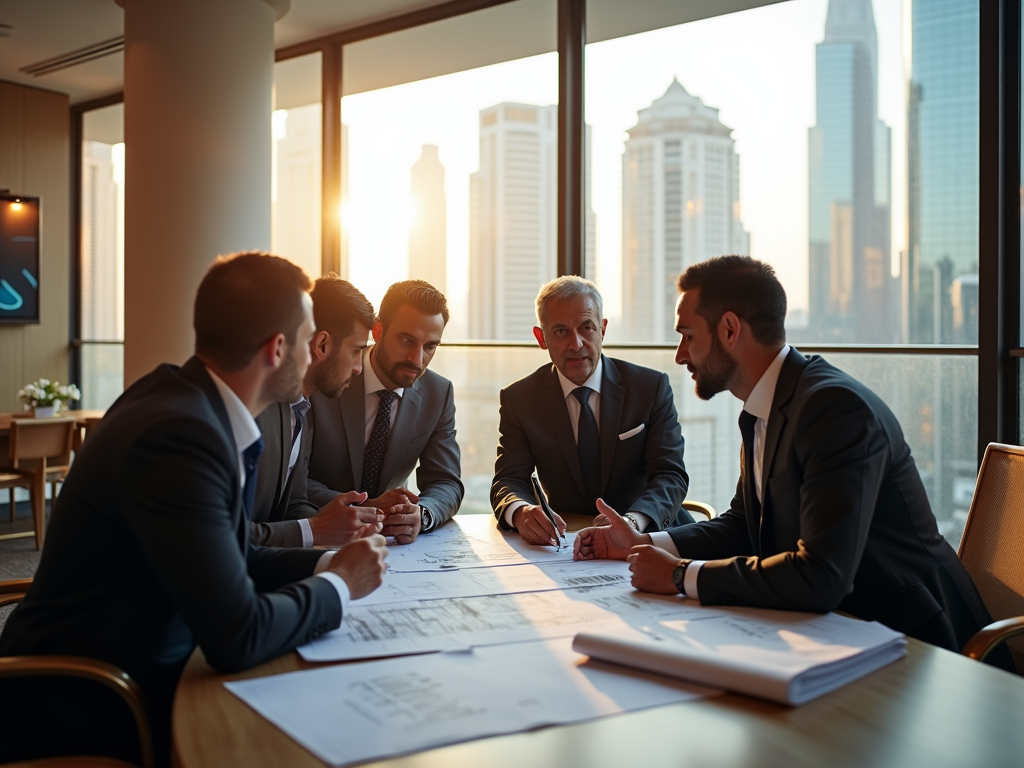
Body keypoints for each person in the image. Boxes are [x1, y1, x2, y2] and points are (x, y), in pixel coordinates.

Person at [0, 253, 389, 766]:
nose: (314, 350)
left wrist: (327, 563)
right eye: (306, 338)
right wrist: (341, 587)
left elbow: (234, 554)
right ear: (278, 349)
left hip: (139, 660)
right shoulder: (181, 436)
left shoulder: (188, 403)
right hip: (90, 699)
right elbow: (237, 635)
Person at [574, 255, 999, 656]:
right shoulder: (768, 406)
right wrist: (643, 542)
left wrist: (679, 575)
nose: (680, 355)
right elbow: (744, 526)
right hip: (836, 629)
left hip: (916, 641)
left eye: (687, 335)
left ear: (729, 329)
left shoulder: (833, 408)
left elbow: (821, 575)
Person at [492, 276, 691, 546]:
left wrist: (632, 521)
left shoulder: (650, 388)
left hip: (650, 536)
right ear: (541, 337)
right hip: (566, 543)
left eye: (586, 327)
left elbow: (671, 474)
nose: (576, 344)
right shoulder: (519, 399)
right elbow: (509, 479)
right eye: (561, 332)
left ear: (602, 329)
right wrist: (521, 512)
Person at [306, 279, 463, 542]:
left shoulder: (438, 393)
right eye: (406, 340)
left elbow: (446, 482)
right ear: (377, 331)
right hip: (319, 531)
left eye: (430, 346)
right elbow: (295, 480)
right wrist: (365, 508)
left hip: (391, 547)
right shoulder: (328, 377)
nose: (417, 359)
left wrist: (421, 514)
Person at [250, 273, 385, 548]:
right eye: (356, 351)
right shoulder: (254, 414)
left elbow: (295, 505)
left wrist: (344, 529)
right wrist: (318, 530)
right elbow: (227, 537)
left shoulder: (300, 410)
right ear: (322, 345)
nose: (358, 368)